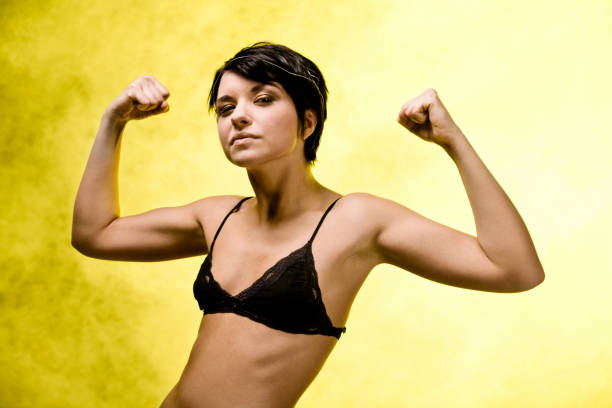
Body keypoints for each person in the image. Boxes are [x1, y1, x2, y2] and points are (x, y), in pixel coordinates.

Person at [71, 42, 545, 408]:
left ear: (308, 122)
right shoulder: (216, 217)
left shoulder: (356, 221)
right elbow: (95, 235)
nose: (239, 118)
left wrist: (452, 141)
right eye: (226, 107)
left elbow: (515, 270)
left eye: (263, 99)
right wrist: (115, 121)